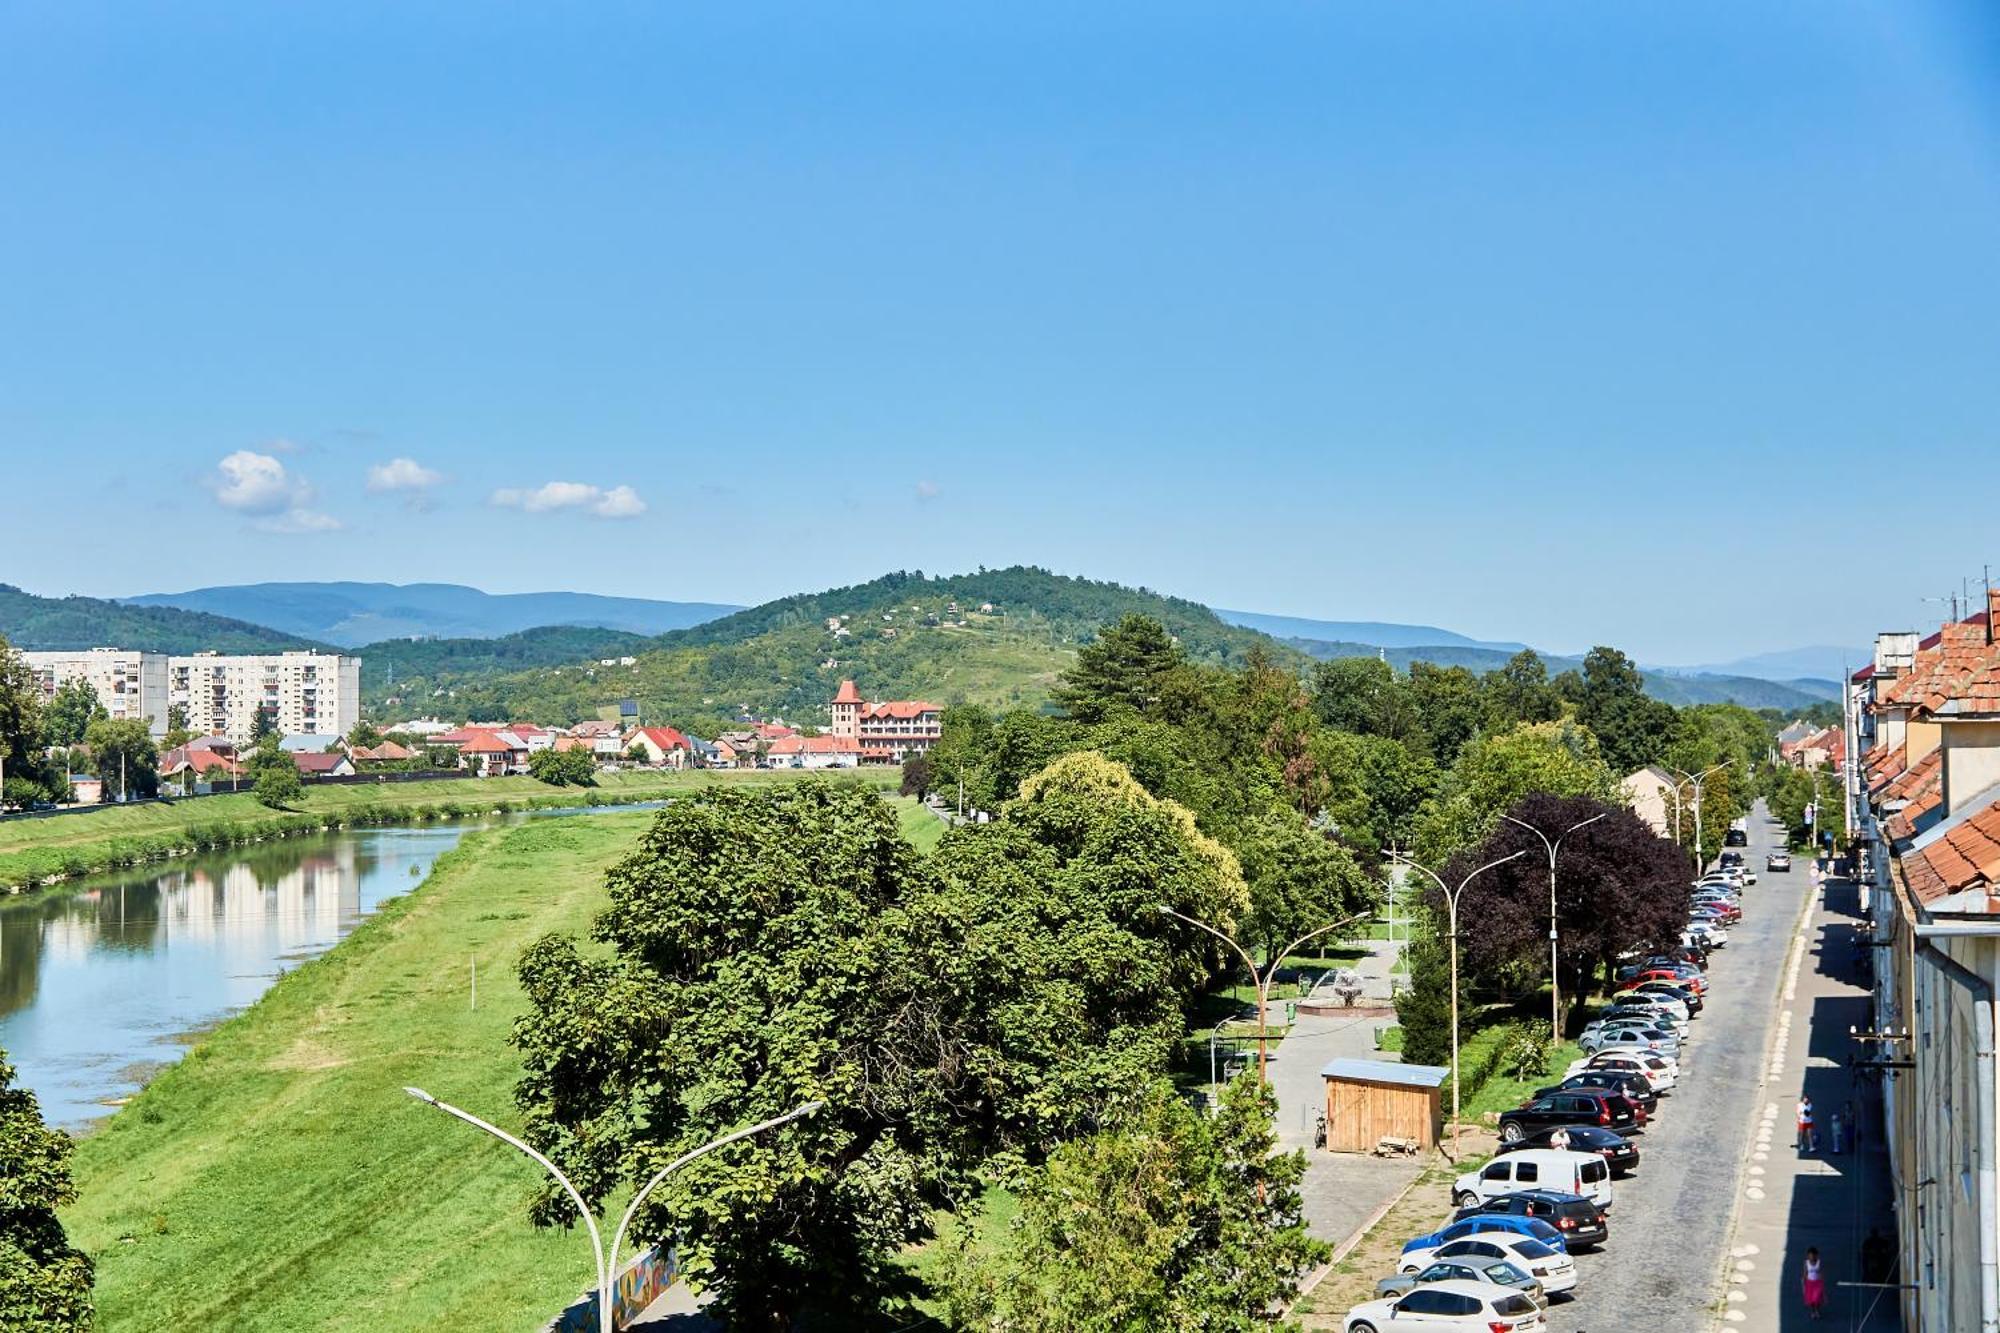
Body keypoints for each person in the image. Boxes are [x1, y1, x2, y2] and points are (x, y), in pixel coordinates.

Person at [1803, 1247, 1826, 1320]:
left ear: (1816, 1255)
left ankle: (1817, 1311)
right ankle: (1813, 1312)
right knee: (1811, 1300)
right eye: (1809, 1256)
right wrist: (1804, 1282)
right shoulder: (1806, 1263)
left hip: (1817, 1283)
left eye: (1813, 1255)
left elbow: (1820, 1273)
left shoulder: (1819, 1262)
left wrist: (1822, 1282)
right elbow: (1805, 1273)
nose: (1811, 1257)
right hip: (1809, 1283)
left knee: (1817, 1299)